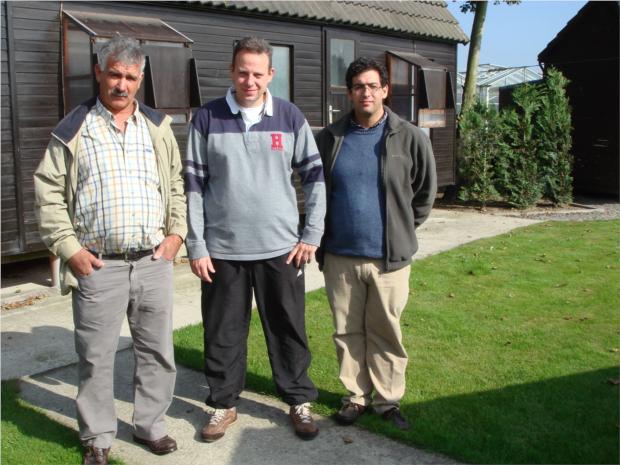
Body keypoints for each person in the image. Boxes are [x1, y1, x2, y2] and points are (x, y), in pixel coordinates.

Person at [34, 36, 186, 465]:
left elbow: (176, 184)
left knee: (157, 352)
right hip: (98, 266)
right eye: (115, 74)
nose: (122, 84)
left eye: (131, 77)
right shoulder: (73, 129)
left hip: (153, 261)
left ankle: (151, 425)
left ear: (141, 79)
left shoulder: (157, 127)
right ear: (99, 72)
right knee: (96, 357)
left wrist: (176, 235)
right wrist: (69, 249)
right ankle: (98, 437)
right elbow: (47, 193)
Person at [184, 36, 326, 442]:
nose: (250, 81)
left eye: (258, 74)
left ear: (271, 75)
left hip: (281, 249)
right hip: (222, 251)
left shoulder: (290, 117)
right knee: (222, 332)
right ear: (232, 71)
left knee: (287, 329)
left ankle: (298, 400)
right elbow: (192, 186)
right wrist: (197, 244)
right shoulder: (207, 118)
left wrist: (312, 233)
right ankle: (223, 403)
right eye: (243, 72)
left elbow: (315, 177)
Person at [315, 57, 437, 430]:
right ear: (349, 92)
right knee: (346, 332)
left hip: (389, 260)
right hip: (340, 256)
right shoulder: (330, 138)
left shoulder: (410, 137)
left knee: (386, 332)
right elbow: (316, 192)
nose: (365, 93)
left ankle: (387, 401)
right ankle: (355, 397)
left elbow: (424, 194)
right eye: (358, 87)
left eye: (372, 86)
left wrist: (402, 230)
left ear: (384, 90)